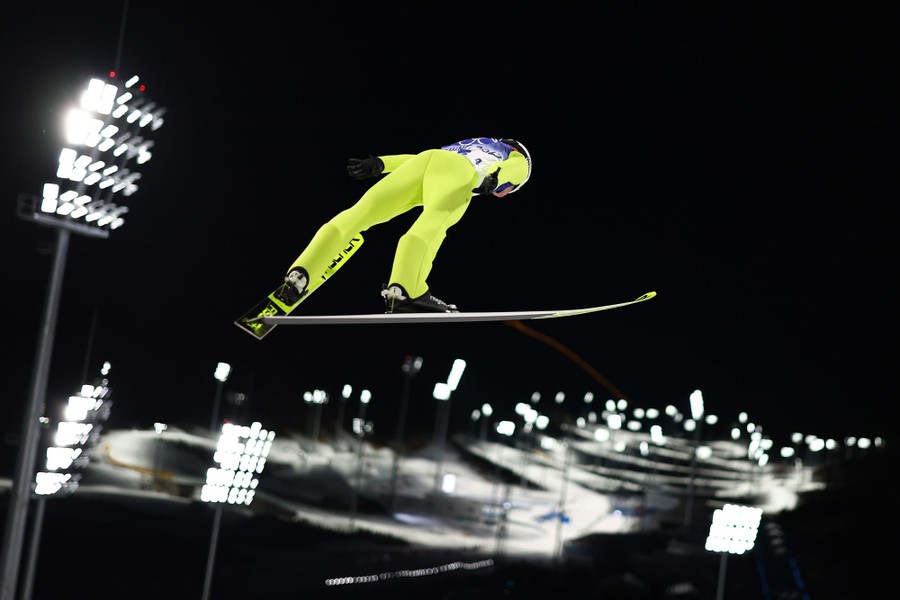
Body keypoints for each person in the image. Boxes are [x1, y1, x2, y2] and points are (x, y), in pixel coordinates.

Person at [276, 137, 532, 313]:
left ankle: (301, 273)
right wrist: (497, 177)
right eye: (509, 191)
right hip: (459, 173)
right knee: (432, 223)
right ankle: (405, 290)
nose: (505, 194)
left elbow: (424, 159)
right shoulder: (516, 157)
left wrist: (382, 163)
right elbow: (515, 169)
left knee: (359, 214)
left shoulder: (473, 143)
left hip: (426, 161)